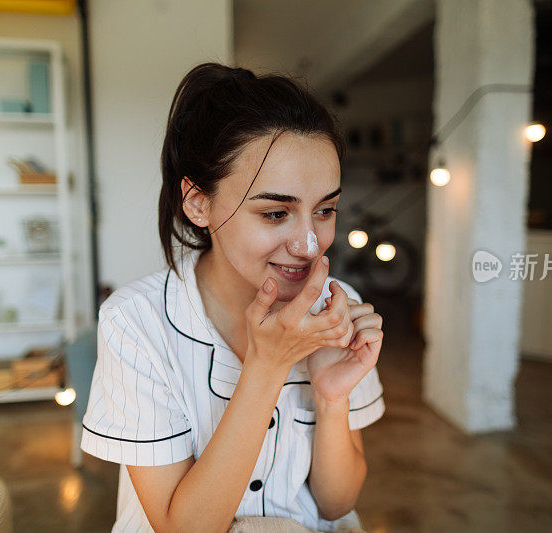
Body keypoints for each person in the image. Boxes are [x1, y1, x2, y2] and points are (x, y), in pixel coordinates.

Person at [80, 62, 386, 533]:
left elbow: (336, 503)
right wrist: (267, 366)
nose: (309, 244)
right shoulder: (136, 322)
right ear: (198, 203)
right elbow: (185, 528)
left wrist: (331, 397)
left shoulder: (336, 307)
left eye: (325, 210)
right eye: (275, 212)